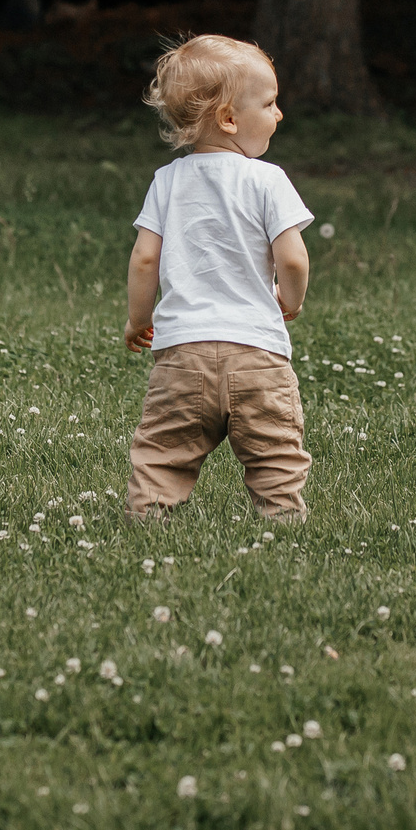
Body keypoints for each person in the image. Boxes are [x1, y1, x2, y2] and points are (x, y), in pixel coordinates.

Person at [122, 34, 314, 520]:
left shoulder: (167, 180)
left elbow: (144, 259)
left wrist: (137, 319)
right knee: (275, 456)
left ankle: (149, 518)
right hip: (258, 357)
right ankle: (282, 521)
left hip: (181, 359)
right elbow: (292, 260)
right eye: (270, 103)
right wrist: (288, 300)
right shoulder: (268, 179)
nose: (279, 113)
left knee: (163, 453)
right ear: (230, 118)